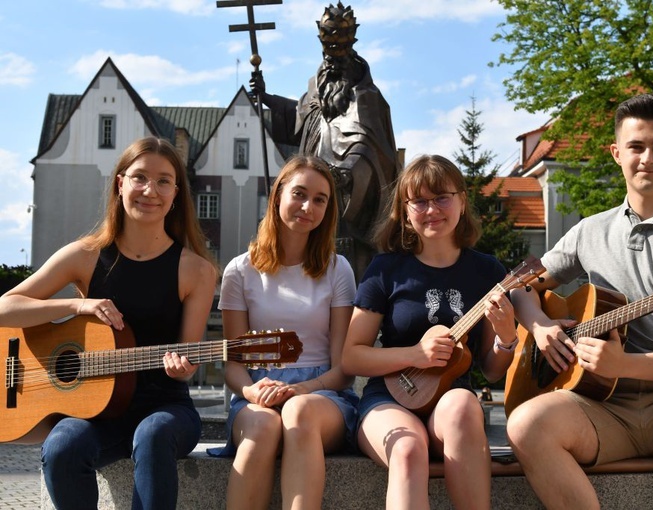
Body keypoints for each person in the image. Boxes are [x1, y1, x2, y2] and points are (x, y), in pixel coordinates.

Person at [505, 93, 653, 509]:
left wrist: (624, 364)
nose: (647, 158)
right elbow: (519, 286)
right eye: (636, 146)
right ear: (616, 153)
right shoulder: (588, 232)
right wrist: (540, 326)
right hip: (601, 405)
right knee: (526, 423)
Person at [0, 136, 218, 509]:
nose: (150, 190)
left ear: (176, 193)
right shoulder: (84, 256)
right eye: (140, 177)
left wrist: (182, 368)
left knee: (152, 433)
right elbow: (6, 307)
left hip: (165, 408)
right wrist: (78, 306)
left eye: (164, 180)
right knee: (62, 445)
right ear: (120, 183)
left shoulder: (196, 271)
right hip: (95, 409)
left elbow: (187, 362)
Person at [342, 154, 518, 510]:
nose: (431, 209)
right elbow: (351, 355)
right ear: (405, 211)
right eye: (419, 201)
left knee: (463, 406)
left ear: (462, 201)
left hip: (451, 401)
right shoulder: (385, 269)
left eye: (441, 198)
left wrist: (506, 338)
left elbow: (492, 369)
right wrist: (414, 355)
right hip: (388, 399)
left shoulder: (487, 271)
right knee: (407, 449)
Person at [208, 155, 358, 510]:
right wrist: (251, 390)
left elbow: (344, 369)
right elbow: (233, 364)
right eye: (299, 194)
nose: (308, 206)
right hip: (257, 392)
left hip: (322, 394)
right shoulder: (239, 271)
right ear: (277, 197)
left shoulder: (339, 270)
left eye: (320, 199)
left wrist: (300, 389)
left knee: (298, 412)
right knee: (262, 427)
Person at [252, 2, 399, 276]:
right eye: (328, 48)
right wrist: (267, 97)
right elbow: (303, 115)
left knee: (344, 260)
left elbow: (371, 147)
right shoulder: (317, 83)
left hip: (347, 199)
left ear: (350, 45)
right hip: (314, 185)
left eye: (338, 49)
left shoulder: (367, 96)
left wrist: (345, 174)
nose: (332, 57)